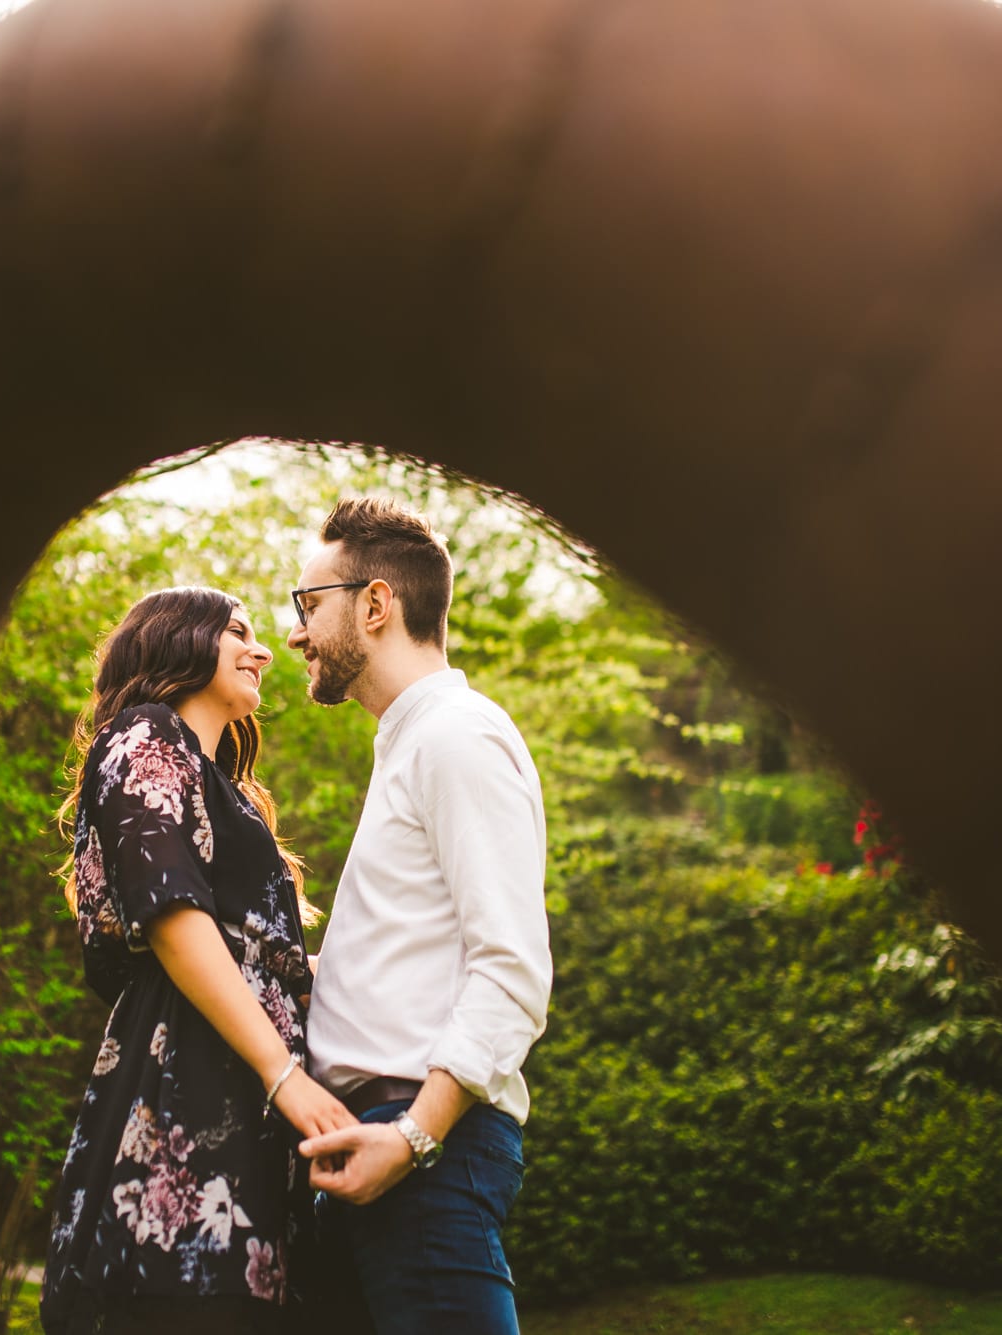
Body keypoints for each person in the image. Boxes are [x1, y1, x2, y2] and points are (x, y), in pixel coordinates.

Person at [41, 587, 357, 1335]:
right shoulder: (145, 736)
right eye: (238, 632)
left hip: (250, 1084)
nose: (264, 649)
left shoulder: (230, 789)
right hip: (189, 1076)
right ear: (182, 640)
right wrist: (284, 1074)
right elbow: (175, 917)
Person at [287, 498, 552, 1334]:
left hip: (423, 1156)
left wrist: (413, 1138)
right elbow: (405, 964)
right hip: (375, 1148)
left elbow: (511, 969)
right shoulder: (410, 742)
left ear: (374, 604)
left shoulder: (456, 737)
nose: (294, 633)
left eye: (308, 603)